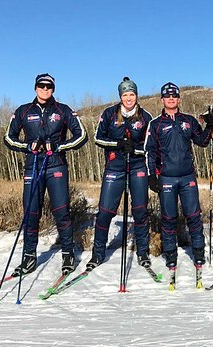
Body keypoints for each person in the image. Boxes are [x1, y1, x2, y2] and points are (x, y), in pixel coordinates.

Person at [4, 73, 88, 276]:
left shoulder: (63, 110)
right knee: (31, 214)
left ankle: (68, 254)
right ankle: (29, 258)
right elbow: (8, 138)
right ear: (35, 88)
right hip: (32, 166)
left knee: (61, 212)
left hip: (56, 167)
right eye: (41, 86)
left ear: (53, 89)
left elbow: (82, 136)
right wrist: (27, 146)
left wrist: (58, 146)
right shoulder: (23, 111)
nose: (45, 89)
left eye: (48, 86)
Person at [144, 82, 213, 269]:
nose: (171, 99)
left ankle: (199, 252)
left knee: (193, 215)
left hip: (187, 177)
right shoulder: (155, 124)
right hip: (166, 177)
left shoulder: (188, 120)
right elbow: (149, 151)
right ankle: (170, 254)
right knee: (168, 218)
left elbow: (202, 142)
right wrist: (152, 176)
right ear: (162, 99)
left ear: (178, 99)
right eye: (167, 96)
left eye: (174, 96)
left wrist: (209, 126)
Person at [86, 77, 153, 271]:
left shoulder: (145, 116)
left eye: (132, 94)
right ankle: (98, 254)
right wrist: (117, 144)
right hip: (115, 167)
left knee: (140, 211)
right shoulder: (109, 114)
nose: (129, 98)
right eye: (125, 95)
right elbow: (99, 138)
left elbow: (151, 145)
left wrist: (136, 148)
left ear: (136, 95)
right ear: (120, 96)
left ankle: (143, 253)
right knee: (105, 212)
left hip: (138, 167)